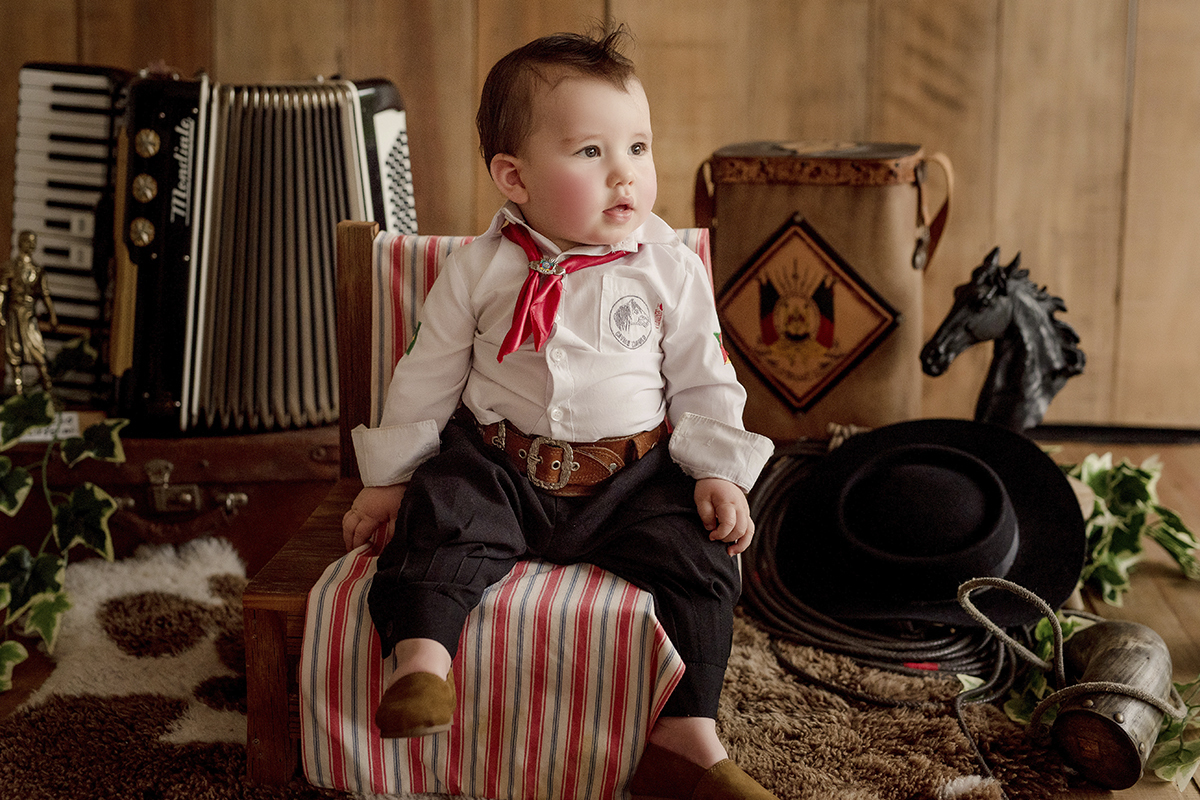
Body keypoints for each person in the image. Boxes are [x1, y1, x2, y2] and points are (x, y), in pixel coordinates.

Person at [341, 27, 778, 800]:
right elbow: (425, 380)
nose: (625, 177)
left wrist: (717, 472)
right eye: (590, 154)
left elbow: (704, 379)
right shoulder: (479, 269)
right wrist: (386, 482)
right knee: (441, 515)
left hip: (632, 476)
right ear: (514, 175)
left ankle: (686, 735)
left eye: (638, 148)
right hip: (501, 466)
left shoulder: (668, 265)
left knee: (706, 560)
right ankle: (423, 668)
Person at [1, 230, 59, 394]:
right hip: (14, 314)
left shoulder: (38, 270)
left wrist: (52, 315)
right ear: (20, 242)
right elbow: (2, 291)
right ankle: (18, 392)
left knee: (38, 351)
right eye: (28, 241)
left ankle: (48, 390)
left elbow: (45, 294)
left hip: (29, 316)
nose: (32, 245)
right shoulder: (10, 267)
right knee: (14, 350)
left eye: (34, 242)